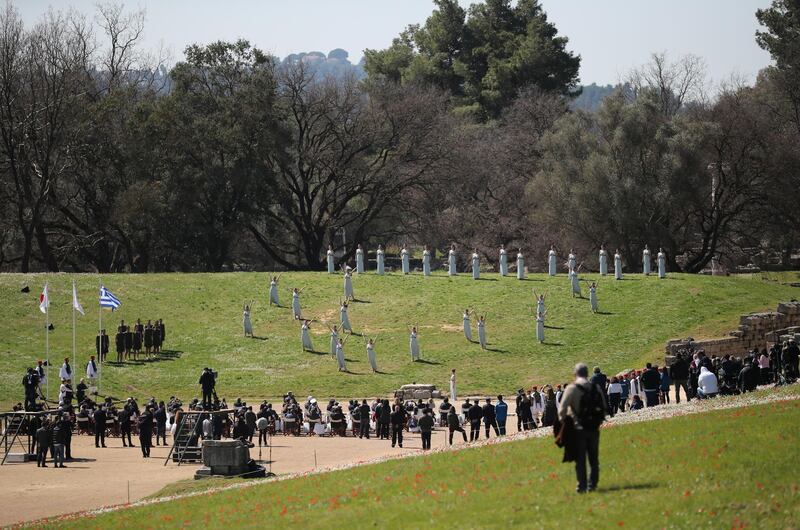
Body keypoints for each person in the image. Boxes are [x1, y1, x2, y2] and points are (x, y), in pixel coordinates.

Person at [558, 363, 607, 493]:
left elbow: (561, 410)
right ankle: (593, 485)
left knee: (580, 459)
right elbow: (603, 407)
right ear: (587, 374)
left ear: (575, 374)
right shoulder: (595, 387)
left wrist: (565, 422)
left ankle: (582, 486)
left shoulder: (571, 388)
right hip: (594, 427)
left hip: (578, 428)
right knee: (594, 459)